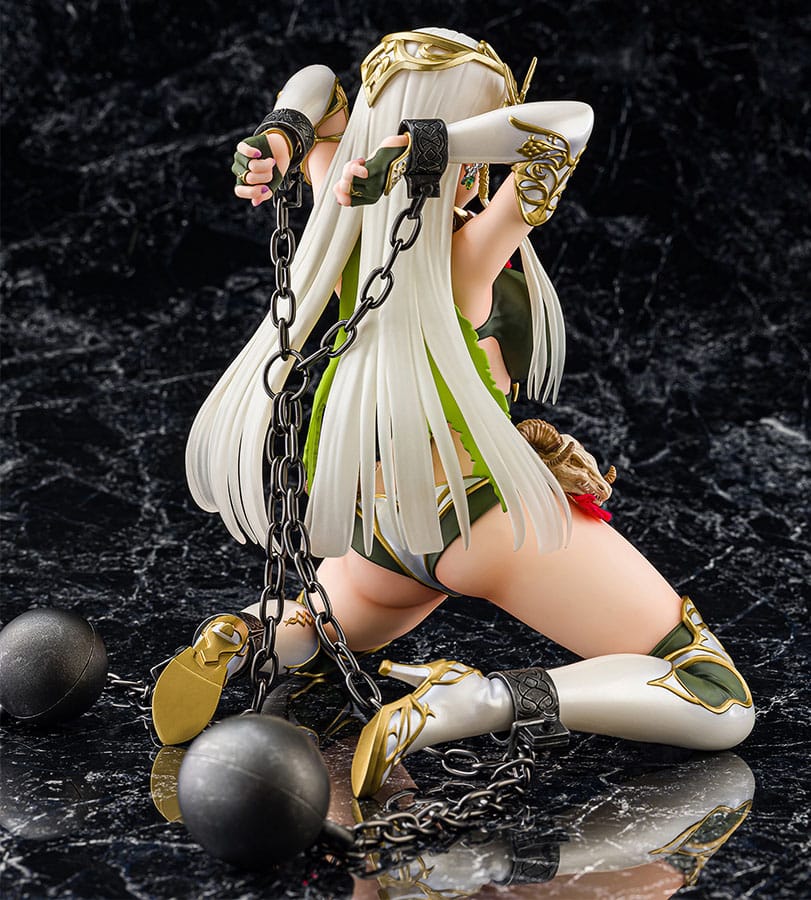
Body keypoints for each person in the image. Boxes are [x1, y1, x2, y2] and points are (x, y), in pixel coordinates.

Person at [151, 28, 754, 799]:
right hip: (474, 515)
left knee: (332, 625)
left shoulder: (340, 209)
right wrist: (437, 146)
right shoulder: (467, 250)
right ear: (469, 158)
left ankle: (243, 634)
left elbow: (315, 80)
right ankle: (479, 701)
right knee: (711, 690)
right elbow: (568, 126)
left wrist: (284, 131)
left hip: (378, 527)